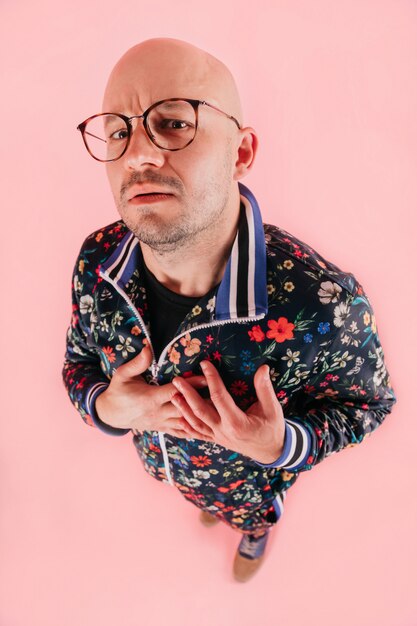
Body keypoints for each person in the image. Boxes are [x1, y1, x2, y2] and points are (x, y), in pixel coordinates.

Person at [62, 37, 397, 582]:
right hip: (159, 464)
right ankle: (199, 501)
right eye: (119, 131)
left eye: (172, 123)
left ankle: (255, 535)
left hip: (249, 490)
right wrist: (108, 410)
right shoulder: (96, 262)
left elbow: (369, 407)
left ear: (240, 152)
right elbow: (78, 362)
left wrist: (281, 443)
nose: (138, 154)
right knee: (187, 494)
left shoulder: (329, 304)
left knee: (249, 517)